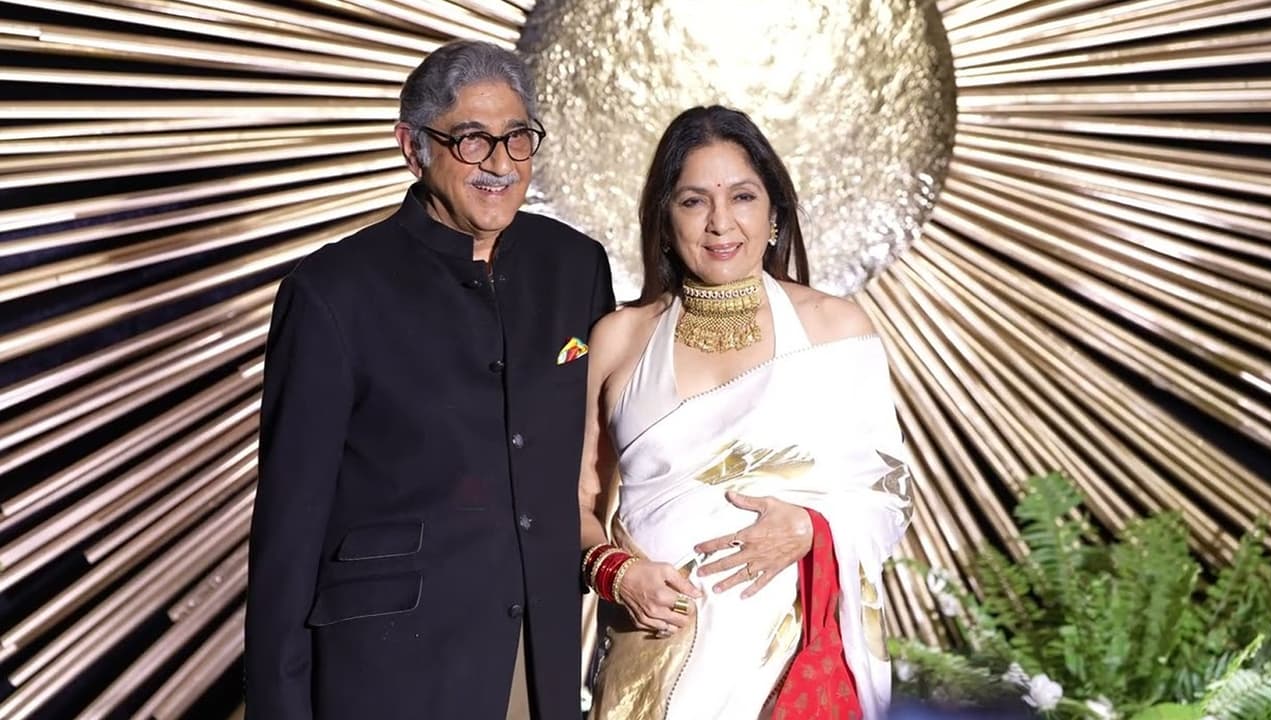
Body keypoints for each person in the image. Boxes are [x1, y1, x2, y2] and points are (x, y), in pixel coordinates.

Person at [245, 40, 615, 720]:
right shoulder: (333, 291)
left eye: (517, 138)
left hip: (538, 660)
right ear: (412, 148)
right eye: (472, 141)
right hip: (391, 670)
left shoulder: (574, 266)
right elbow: (287, 535)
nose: (500, 164)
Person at [576, 106, 914, 720]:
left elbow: (887, 496)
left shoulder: (836, 330)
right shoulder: (619, 339)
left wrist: (811, 529)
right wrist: (615, 572)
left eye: (742, 197)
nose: (720, 222)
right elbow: (573, 500)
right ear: (665, 218)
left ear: (774, 213)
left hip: (792, 655)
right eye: (694, 201)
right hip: (652, 656)